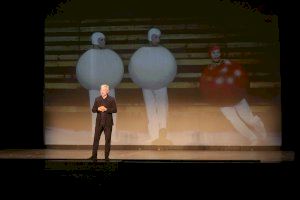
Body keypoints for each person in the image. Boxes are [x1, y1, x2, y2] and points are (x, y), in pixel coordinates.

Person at [199, 45, 267, 145]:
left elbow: (240, 78)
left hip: (237, 97)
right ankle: (252, 138)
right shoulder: (208, 69)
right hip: (222, 101)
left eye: (218, 52)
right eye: (214, 53)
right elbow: (206, 85)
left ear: (220, 53)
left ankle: (263, 135)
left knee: (249, 119)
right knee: (235, 121)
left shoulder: (229, 64)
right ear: (210, 55)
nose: (216, 55)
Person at [128, 27, 177, 144]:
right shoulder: (143, 51)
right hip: (147, 84)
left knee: (162, 108)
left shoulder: (163, 52)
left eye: (158, 37)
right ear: (150, 37)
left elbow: (168, 66)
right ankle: (154, 135)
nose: (157, 39)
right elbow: (138, 66)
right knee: (150, 109)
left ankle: (163, 134)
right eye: (155, 37)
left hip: (161, 84)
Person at [89, 84, 117, 161]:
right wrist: (98, 108)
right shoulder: (97, 99)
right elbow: (93, 110)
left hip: (108, 123)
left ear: (107, 91)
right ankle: (94, 156)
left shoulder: (111, 99)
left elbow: (115, 110)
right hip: (99, 123)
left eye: (104, 90)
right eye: (101, 90)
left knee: (107, 140)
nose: (102, 91)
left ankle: (106, 157)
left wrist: (106, 109)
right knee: (96, 139)